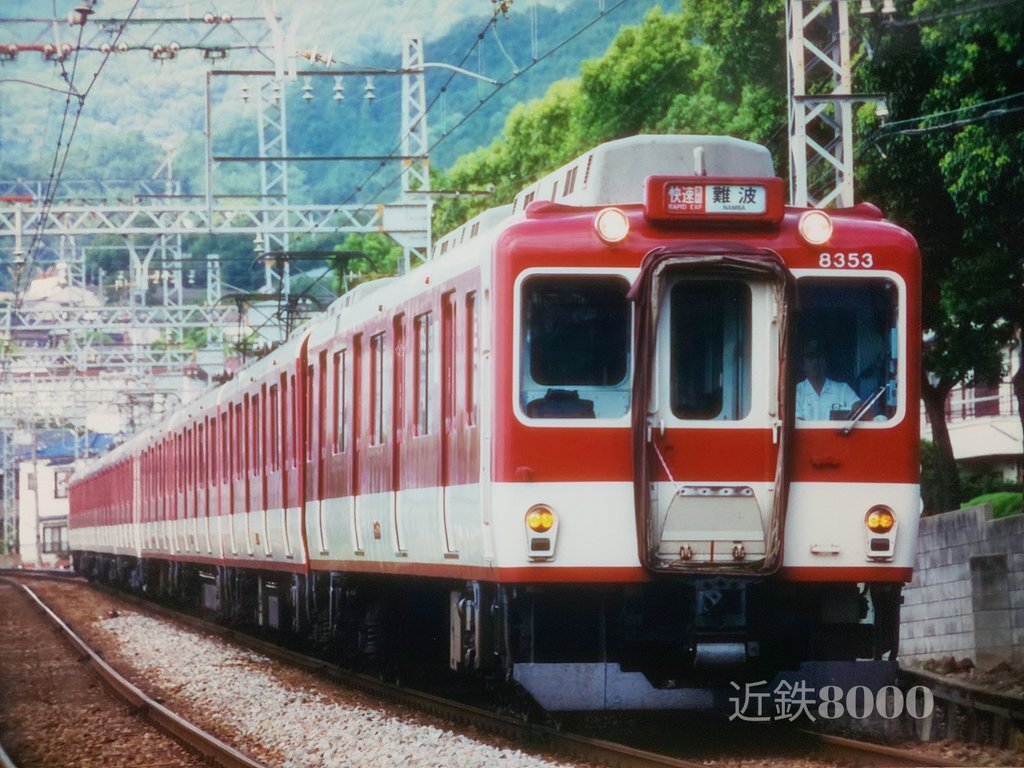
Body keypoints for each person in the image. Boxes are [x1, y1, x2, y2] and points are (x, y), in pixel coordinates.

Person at [795, 340, 860, 420]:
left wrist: (856, 409)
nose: (816, 361)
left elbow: (861, 410)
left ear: (825, 361)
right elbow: (797, 422)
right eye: (811, 357)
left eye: (819, 356)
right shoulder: (797, 392)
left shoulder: (842, 389)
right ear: (803, 365)